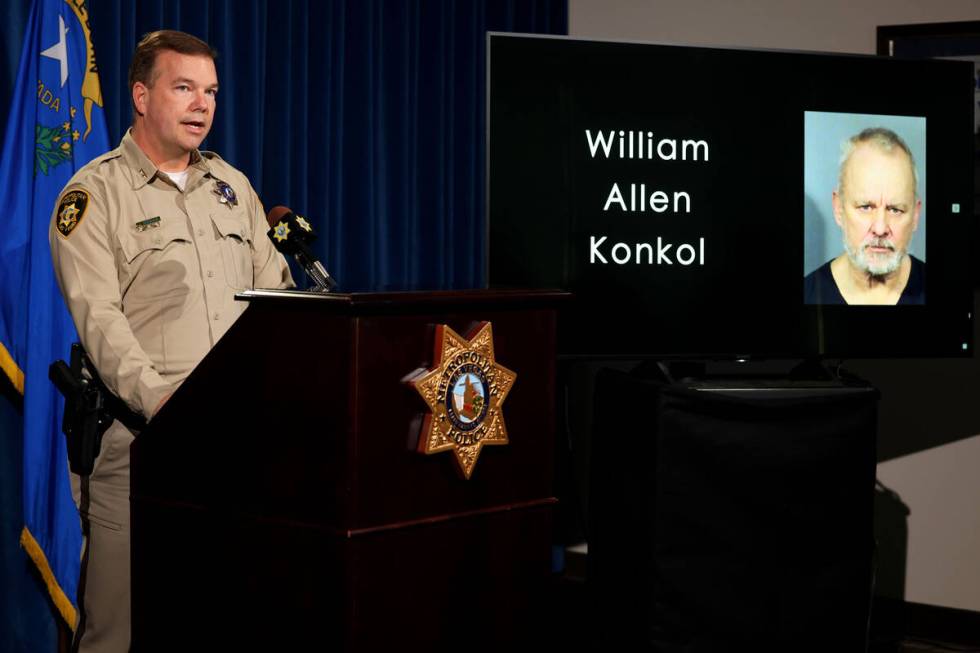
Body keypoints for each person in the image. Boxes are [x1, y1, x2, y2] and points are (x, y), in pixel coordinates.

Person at [49, 30, 293, 651]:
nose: (201, 105)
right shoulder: (93, 194)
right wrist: (167, 405)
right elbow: (99, 320)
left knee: (227, 615)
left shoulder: (231, 187)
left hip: (239, 445)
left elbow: (279, 303)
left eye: (210, 91)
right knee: (118, 631)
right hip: (141, 447)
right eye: (183, 88)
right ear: (140, 94)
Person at [803, 127, 924, 305]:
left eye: (895, 209)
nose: (880, 228)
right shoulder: (808, 295)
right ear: (838, 208)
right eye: (866, 207)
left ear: (915, 215)